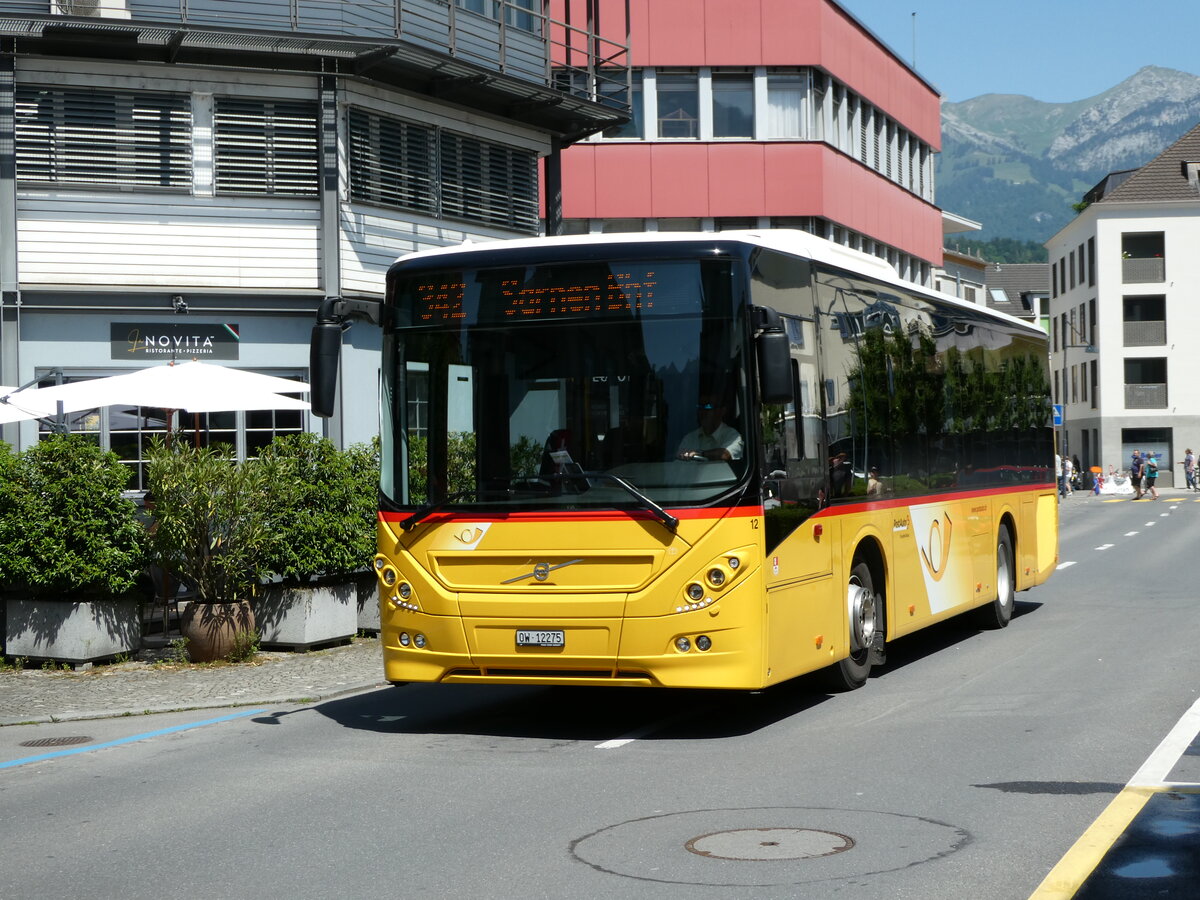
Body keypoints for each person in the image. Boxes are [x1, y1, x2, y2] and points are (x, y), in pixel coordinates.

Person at [677, 394, 743, 462]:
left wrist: (699, 454)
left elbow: (725, 454)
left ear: (722, 411)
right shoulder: (689, 438)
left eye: (708, 406)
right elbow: (678, 463)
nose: (703, 412)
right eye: (700, 407)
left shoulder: (733, 436)